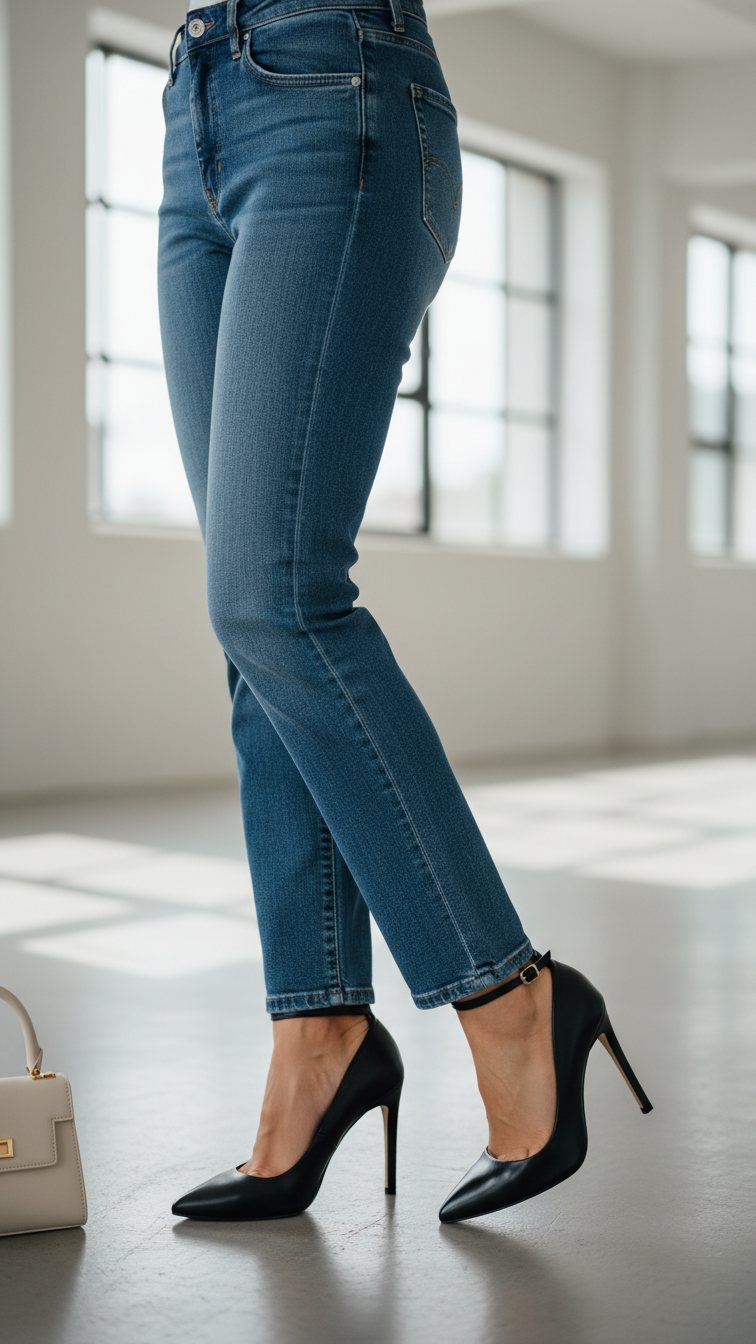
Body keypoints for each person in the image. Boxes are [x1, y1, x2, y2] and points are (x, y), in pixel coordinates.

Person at [159, 0, 651, 1225]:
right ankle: (318, 1032)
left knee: (276, 595)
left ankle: (514, 997)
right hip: (191, 106)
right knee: (250, 624)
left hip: (335, 84)